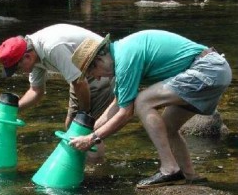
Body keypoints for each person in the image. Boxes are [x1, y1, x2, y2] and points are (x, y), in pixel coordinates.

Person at [69, 30, 232, 188]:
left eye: (92, 72)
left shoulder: (125, 59)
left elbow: (126, 113)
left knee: (143, 101)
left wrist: (92, 139)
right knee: (168, 127)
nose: (97, 78)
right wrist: (90, 130)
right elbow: (118, 104)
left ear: (99, 59)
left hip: (208, 69)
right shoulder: (122, 54)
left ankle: (169, 169)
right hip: (213, 70)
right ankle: (190, 176)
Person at [0, 24, 114, 162]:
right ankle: (85, 164)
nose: (19, 72)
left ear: (27, 57)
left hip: (102, 65)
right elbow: (36, 91)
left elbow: (80, 83)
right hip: (80, 74)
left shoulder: (51, 48)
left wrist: (84, 114)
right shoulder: (32, 54)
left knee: (85, 129)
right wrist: (7, 111)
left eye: (18, 68)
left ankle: (96, 168)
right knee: (72, 127)